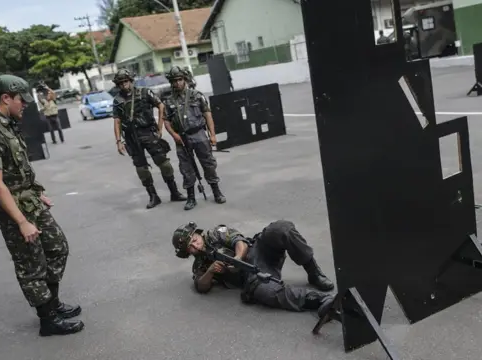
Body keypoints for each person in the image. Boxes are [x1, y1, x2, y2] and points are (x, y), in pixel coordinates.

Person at [0, 74, 84, 336]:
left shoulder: (7, 124)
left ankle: (52, 303)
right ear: (6, 98)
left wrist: (36, 192)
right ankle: (47, 320)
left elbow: (19, 169)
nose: (25, 105)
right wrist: (21, 221)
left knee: (58, 248)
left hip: (29, 200)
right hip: (13, 210)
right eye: (21, 100)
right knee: (31, 265)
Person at [171, 220, 335, 314]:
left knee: (280, 229)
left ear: (198, 234)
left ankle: (313, 272)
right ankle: (320, 301)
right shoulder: (199, 264)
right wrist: (210, 271)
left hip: (258, 252)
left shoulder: (216, 233)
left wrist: (237, 258)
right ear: (187, 253)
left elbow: (239, 242)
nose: (196, 246)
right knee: (265, 292)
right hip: (252, 277)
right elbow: (201, 286)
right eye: (190, 247)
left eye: (194, 240)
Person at [111, 69, 186, 209]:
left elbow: (160, 105)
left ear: (131, 81)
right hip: (131, 137)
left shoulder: (144, 92)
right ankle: (153, 196)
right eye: (120, 83)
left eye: (126, 81)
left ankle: (174, 192)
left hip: (148, 132)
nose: (123, 85)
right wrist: (118, 141)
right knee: (141, 169)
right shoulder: (117, 100)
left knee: (164, 163)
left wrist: (159, 127)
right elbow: (117, 121)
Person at [161, 66, 226, 211]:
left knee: (208, 163)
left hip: (198, 134)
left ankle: (216, 191)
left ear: (185, 80)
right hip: (181, 138)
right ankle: (191, 197)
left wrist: (213, 135)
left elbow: (207, 114)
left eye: (180, 79)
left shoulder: (197, 95)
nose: (177, 83)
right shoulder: (168, 100)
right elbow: (166, 120)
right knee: (186, 168)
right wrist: (174, 135)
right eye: (174, 81)